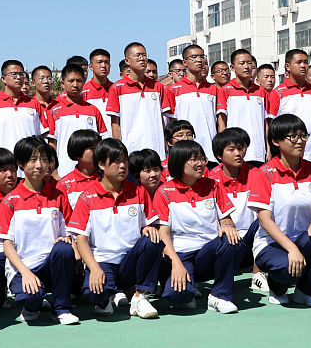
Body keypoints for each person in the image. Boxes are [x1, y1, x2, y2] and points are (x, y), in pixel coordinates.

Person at [67, 138, 164, 319]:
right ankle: (107, 297)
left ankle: (139, 297)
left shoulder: (138, 191)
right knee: (95, 294)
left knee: (153, 239)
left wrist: (147, 229)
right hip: (103, 262)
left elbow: (148, 224)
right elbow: (81, 239)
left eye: (125, 160)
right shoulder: (86, 198)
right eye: (116, 161)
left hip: (130, 261)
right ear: (101, 165)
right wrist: (94, 268)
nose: (122, 166)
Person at [248, 114, 311, 307]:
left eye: (303, 136)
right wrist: (292, 249)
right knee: (286, 269)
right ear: (275, 141)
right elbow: (264, 219)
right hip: (271, 244)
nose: (300, 141)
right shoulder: (263, 173)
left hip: (305, 239)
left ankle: (305, 291)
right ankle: (277, 287)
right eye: (293, 137)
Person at [0, 138, 78, 325]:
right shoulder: (11, 200)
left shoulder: (58, 196)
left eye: (44, 159)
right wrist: (26, 273)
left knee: (64, 249)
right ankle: (31, 306)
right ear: (21, 164)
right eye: (32, 160)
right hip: (23, 268)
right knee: (32, 299)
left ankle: (62, 308)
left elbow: (70, 232)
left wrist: (67, 241)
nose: (39, 165)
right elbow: (7, 245)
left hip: (51, 265)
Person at [154, 140, 241, 314]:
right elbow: (163, 234)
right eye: (194, 159)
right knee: (179, 296)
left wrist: (227, 225)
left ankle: (220, 296)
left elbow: (227, 220)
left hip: (207, 252)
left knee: (232, 240)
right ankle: (185, 286)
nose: (200, 163)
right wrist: (176, 264)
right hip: (181, 255)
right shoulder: (164, 192)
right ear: (179, 161)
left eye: (202, 158)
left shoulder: (213, 186)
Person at [209, 128, 264, 287]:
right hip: (224, 239)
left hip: (251, 240)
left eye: (241, 148)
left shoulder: (257, 174)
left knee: (265, 220)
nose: (238, 153)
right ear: (219, 155)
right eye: (231, 149)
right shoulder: (211, 179)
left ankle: (257, 274)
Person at [106, 42, 169, 156]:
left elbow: (162, 119)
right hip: (131, 150)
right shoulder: (117, 88)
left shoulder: (157, 86)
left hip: (157, 150)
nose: (142, 58)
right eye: (138, 55)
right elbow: (115, 123)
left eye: (144, 55)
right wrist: (119, 151)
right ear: (127, 61)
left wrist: (165, 144)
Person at [48, 63, 106, 177]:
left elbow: (102, 141)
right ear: (62, 84)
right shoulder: (54, 111)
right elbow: (52, 144)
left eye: (79, 81)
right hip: (64, 171)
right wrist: (54, 172)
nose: (75, 84)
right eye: (71, 81)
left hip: (92, 173)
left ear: (84, 82)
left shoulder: (93, 110)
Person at [216, 49, 271, 166]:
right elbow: (222, 122)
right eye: (242, 63)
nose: (247, 66)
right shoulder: (225, 91)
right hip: (235, 152)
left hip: (258, 152)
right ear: (232, 67)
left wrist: (268, 149)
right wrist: (224, 148)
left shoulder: (261, 91)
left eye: (249, 63)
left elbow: (266, 123)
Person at [163, 44, 218, 158]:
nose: (199, 60)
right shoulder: (173, 89)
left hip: (210, 151)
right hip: (184, 152)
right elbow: (171, 123)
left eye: (202, 56)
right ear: (185, 62)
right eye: (194, 57)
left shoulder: (213, 89)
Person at [272, 50, 311, 163]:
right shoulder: (277, 93)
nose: (303, 66)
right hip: (288, 154)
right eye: (299, 62)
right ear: (288, 66)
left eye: (306, 62)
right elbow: (272, 126)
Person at [0, 59, 45, 154]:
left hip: (28, 162)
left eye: (21, 74)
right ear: (3, 78)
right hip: (3, 162)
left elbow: (41, 135)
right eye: (14, 74)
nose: (18, 77)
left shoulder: (34, 103)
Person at [58, 130, 101, 207]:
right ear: (78, 152)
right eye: (93, 149)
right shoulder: (64, 185)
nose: (98, 152)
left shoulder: (107, 178)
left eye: (99, 148)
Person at [82, 48, 112, 134]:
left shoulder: (116, 89)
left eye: (107, 62)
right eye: (99, 62)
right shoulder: (83, 91)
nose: (103, 65)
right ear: (90, 67)